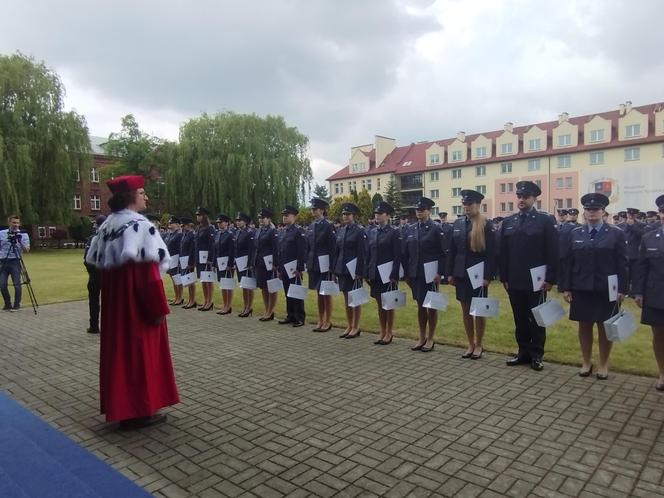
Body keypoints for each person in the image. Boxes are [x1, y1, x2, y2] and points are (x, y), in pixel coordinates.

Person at [85, 175, 178, 429]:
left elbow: (96, 269)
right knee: (139, 355)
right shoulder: (139, 226)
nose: (146, 197)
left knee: (119, 355)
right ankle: (140, 410)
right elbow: (148, 276)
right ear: (130, 197)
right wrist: (158, 308)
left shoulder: (106, 227)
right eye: (142, 192)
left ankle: (122, 407)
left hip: (115, 306)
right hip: (137, 307)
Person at [560, 193, 627, 380]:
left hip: (607, 289)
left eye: (595, 209)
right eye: (588, 209)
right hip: (581, 287)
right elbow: (568, 262)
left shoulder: (615, 233)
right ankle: (586, 362)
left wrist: (622, 289)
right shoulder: (574, 233)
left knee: (605, 327)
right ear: (584, 211)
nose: (591, 212)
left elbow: (623, 263)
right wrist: (566, 287)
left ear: (603, 211)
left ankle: (603, 364)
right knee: (584, 325)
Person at [499, 181, 558, 371]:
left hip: (537, 280)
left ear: (534, 198)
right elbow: (504, 253)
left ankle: (537, 354)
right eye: (519, 196)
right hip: (515, 279)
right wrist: (504, 277)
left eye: (526, 197)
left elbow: (553, 251)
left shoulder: (545, 221)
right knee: (520, 318)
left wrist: (550, 278)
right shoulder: (509, 222)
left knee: (537, 318)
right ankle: (523, 352)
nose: (521, 200)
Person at [447, 190, 497, 359]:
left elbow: (492, 253)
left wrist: (488, 277)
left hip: (478, 274)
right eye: (464, 204)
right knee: (465, 309)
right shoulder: (458, 223)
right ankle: (470, 343)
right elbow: (452, 251)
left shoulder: (486, 224)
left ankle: (479, 344)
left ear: (478, 205)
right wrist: (451, 273)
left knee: (479, 311)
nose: (466, 207)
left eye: (470, 204)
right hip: (461, 273)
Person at [402, 197, 448, 352]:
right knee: (420, 306)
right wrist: (407, 273)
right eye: (417, 210)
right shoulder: (411, 228)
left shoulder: (436, 229)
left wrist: (440, 273)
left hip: (431, 273)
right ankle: (421, 337)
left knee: (431, 306)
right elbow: (407, 253)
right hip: (415, 273)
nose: (419, 213)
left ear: (429, 211)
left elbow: (443, 253)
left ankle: (431, 338)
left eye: (422, 210)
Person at [633, 195, 664, 391]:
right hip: (656, 294)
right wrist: (638, 292)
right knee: (659, 335)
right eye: (663, 211)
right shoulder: (649, 237)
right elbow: (641, 267)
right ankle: (662, 373)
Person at [366, 201, 401, 345]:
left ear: (387, 216)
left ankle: (389, 332)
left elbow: (397, 255)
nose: (377, 216)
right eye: (376, 213)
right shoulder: (372, 231)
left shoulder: (393, 232)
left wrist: (394, 274)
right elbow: (369, 253)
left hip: (388, 273)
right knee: (380, 303)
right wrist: (367, 271)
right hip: (375, 272)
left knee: (389, 303)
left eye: (380, 214)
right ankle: (382, 330)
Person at [333, 202, 367, 339]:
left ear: (354, 216)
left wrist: (359, 272)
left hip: (354, 270)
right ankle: (349, 325)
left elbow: (362, 253)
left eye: (348, 214)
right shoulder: (341, 230)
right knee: (346, 298)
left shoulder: (359, 231)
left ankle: (355, 326)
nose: (345, 216)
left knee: (355, 298)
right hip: (342, 269)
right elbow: (337, 251)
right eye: (343, 214)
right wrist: (335, 269)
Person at [306, 198, 336, 332]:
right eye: (312, 209)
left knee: (326, 293)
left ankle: (328, 320)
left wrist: (331, 265)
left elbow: (332, 247)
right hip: (314, 263)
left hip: (325, 264)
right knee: (319, 293)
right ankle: (320, 318)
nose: (313, 211)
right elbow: (309, 245)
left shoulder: (328, 225)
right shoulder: (311, 226)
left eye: (315, 209)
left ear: (322, 210)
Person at [277, 205, 307, 327]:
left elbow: (302, 251)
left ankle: (299, 317)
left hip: (294, 267)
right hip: (284, 266)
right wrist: (279, 268)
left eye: (287, 215)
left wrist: (300, 268)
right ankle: (290, 315)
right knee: (287, 292)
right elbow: (281, 250)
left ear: (293, 216)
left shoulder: (298, 231)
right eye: (283, 215)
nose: (284, 217)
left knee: (296, 292)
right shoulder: (283, 231)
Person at [0, 214, 30, 311]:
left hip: (15, 261)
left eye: (17, 223)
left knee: (17, 284)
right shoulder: (1, 233)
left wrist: (19, 241)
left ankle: (17, 304)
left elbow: (27, 250)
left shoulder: (23, 234)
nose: (16, 225)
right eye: (14, 222)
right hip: (3, 261)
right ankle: (7, 304)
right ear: (9, 222)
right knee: (2, 284)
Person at [254, 208, 279, 321]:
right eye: (259, 218)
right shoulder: (259, 230)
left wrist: (275, 263)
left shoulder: (272, 231)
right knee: (263, 287)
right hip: (260, 262)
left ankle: (271, 310)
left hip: (269, 262)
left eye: (263, 218)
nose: (261, 220)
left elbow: (275, 248)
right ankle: (266, 309)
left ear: (269, 219)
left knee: (271, 287)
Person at [83, 214, 106, 332]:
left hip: (95, 273)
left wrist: (91, 272)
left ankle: (94, 325)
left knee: (93, 301)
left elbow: (86, 259)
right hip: (107, 274)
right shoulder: (111, 238)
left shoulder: (92, 238)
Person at [194, 207, 216, 311]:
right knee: (203, 280)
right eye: (197, 215)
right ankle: (205, 301)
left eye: (199, 215)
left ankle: (209, 301)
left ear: (204, 216)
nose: (197, 217)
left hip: (207, 257)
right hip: (200, 257)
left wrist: (210, 258)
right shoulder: (198, 228)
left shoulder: (210, 228)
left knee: (208, 280)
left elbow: (212, 245)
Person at [234, 212, 255, 317]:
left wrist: (250, 263)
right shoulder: (238, 232)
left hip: (246, 262)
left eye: (240, 220)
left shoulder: (249, 233)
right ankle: (245, 306)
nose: (237, 222)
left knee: (248, 286)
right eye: (237, 220)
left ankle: (249, 307)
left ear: (245, 222)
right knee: (243, 285)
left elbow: (251, 249)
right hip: (239, 262)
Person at [621, 208, 646, 295]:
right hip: (624, 254)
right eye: (629, 214)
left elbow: (643, 235)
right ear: (627, 214)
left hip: (636, 254)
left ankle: (635, 293)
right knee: (624, 275)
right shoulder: (621, 225)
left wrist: (632, 226)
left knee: (636, 276)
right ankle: (624, 291)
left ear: (636, 215)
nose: (631, 216)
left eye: (633, 214)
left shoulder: (642, 225)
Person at [214, 213, 235, 315]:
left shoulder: (230, 235)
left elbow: (232, 251)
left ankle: (228, 306)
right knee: (222, 284)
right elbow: (216, 249)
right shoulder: (218, 234)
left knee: (228, 284)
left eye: (221, 222)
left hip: (227, 263)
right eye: (218, 222)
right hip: (219, 262)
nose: (219, 224)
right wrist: (214, 263)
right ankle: (224, 304)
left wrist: (230, 264)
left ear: (226, 223)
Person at [164, 216, 184, 306]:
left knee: (177, 279)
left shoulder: (179, 234)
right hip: (170, 258)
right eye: (169, 223)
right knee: (173, 279)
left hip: (176, 258)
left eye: (171, 223)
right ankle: (176, 297)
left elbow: (180, 248)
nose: (169, 224)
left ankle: (180, 297)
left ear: (176, 224)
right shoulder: (170, 234)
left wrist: (180, 260)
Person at [178, 217, 197, 309]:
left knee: (190, 281)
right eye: (181, 225)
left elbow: (192, 250)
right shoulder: (185, 234)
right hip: (183, 259)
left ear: (189, 225)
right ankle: (190, 300)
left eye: (183, 225)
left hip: (189, 260)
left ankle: (192, 300)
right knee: (187, 280)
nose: (182, 227)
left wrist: (191, 262)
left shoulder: (192, 235)